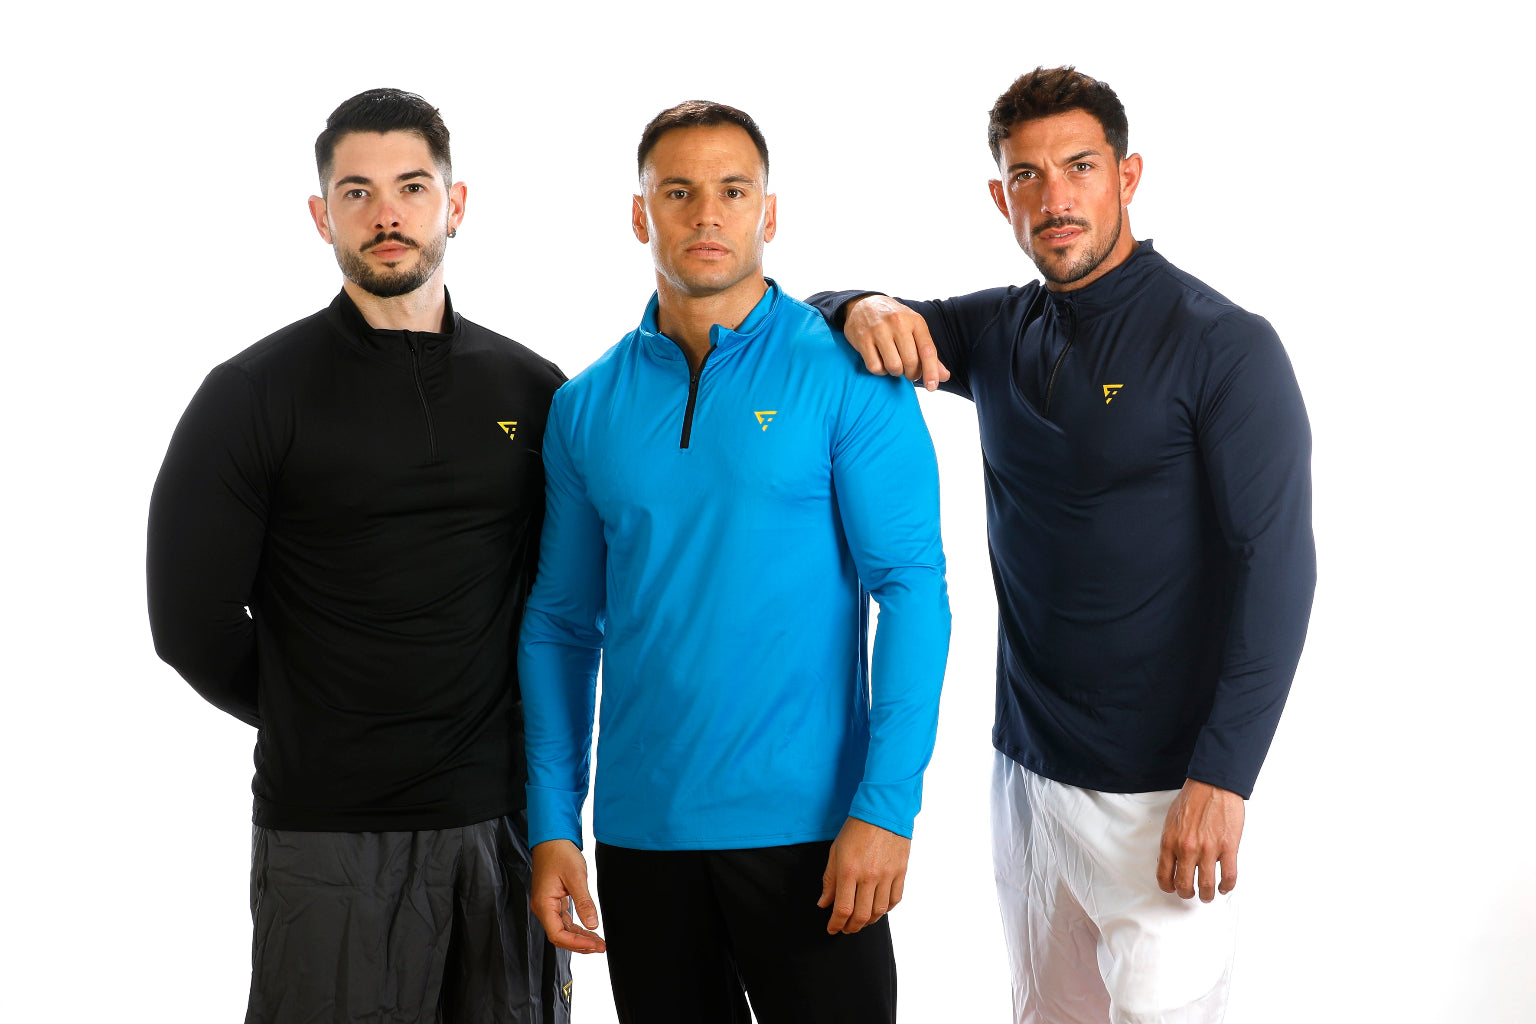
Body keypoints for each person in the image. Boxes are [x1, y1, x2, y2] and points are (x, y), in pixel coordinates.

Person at [808, 66, 1315, 1023]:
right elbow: (825, 312)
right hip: (1027, 781)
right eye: (1027, 176)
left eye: (1079, 167)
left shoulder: (1224, 344)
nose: (1055, 198)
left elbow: (1278, 570)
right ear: (1000, 196)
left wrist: (1224, 776)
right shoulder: (999, 329)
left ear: (1128, 175)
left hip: (1164, 794)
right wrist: (859, 303)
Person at [517, 100, 951, 1024]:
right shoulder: (585, 405)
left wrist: (887, 806)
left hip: (813, 835)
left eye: (732, 190)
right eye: (678, 192)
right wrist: (555, 822)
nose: (706, 214)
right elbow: (560, 625)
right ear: (641, 214)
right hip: (642, 838)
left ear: (769, 212)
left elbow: (913, 591)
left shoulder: (847, 373)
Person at [147, 88, 571, 1024]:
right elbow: (189, 625)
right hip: (329, 833)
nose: (387, 214)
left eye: (412, 187)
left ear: (456, 204)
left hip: (500, 821)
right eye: (357, 192)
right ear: (321, 214)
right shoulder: (253, 393)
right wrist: (324, 713)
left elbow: (564, 601)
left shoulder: (532, 389)